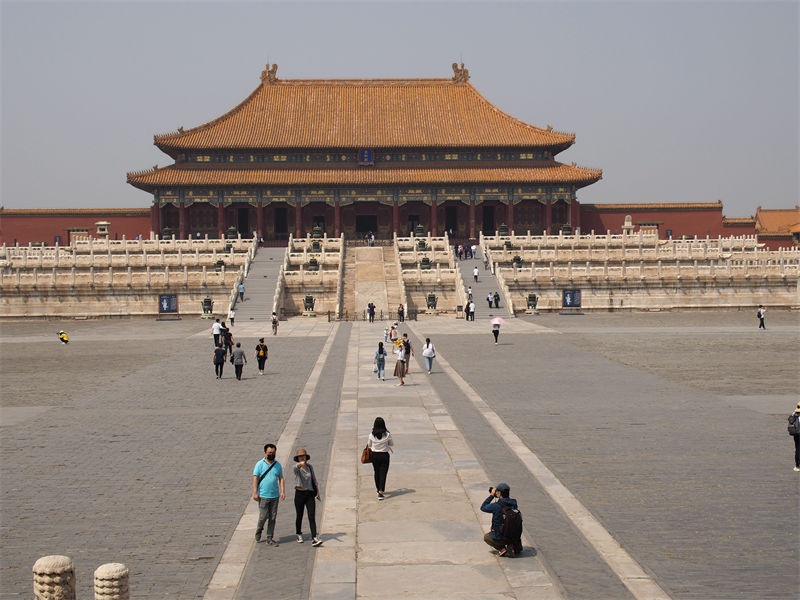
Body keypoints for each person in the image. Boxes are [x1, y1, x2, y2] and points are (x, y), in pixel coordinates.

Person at [253, 443, 285, 546]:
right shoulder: (259, 464)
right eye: (269, 453)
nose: (271, 454)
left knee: (272, 517)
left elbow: (281, 478)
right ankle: (259, 530)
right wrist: (255, 492)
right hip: (263, 495)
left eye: (273, 453)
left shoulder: (277, 465)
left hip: (274, 496)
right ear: (265, 453)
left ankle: (269, 537)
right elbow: (255, 478)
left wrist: (282, 491)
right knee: (263, 517)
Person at [481, 483, 523, 557]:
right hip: (514, 536)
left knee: (487, 537)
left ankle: (502, 548)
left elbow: (483, 507)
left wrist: (492, 495)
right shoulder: (514, 503)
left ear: (499, 493)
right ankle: (513, 545)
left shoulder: (497, 506)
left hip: (502, 536)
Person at [292, 448, 322, 546]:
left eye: (303, 456)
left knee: (311, 515)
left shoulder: (310, 467)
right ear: (297, 458)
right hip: (299, 494)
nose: (302, 458)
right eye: (300, 456)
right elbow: (295, 468)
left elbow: (314, 479)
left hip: (309, 493)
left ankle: (314, 537)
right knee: (299, 515)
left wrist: (317, 491)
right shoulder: (297, 468)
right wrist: (300, 464)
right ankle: (298, 533)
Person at [368, 417, 393, 499]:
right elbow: (391, 444)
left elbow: (369, 445)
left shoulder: (371, 435)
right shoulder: (387, 435)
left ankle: (378, 488)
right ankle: (381, 491)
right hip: (384, 455)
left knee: (376, 472)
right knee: (383, 473)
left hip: (374, 455)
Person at [789, 402, 800, 472]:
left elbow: (790, 421)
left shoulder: (794, 414)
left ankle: (798, 466)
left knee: (798, 449)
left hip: (796, 434)